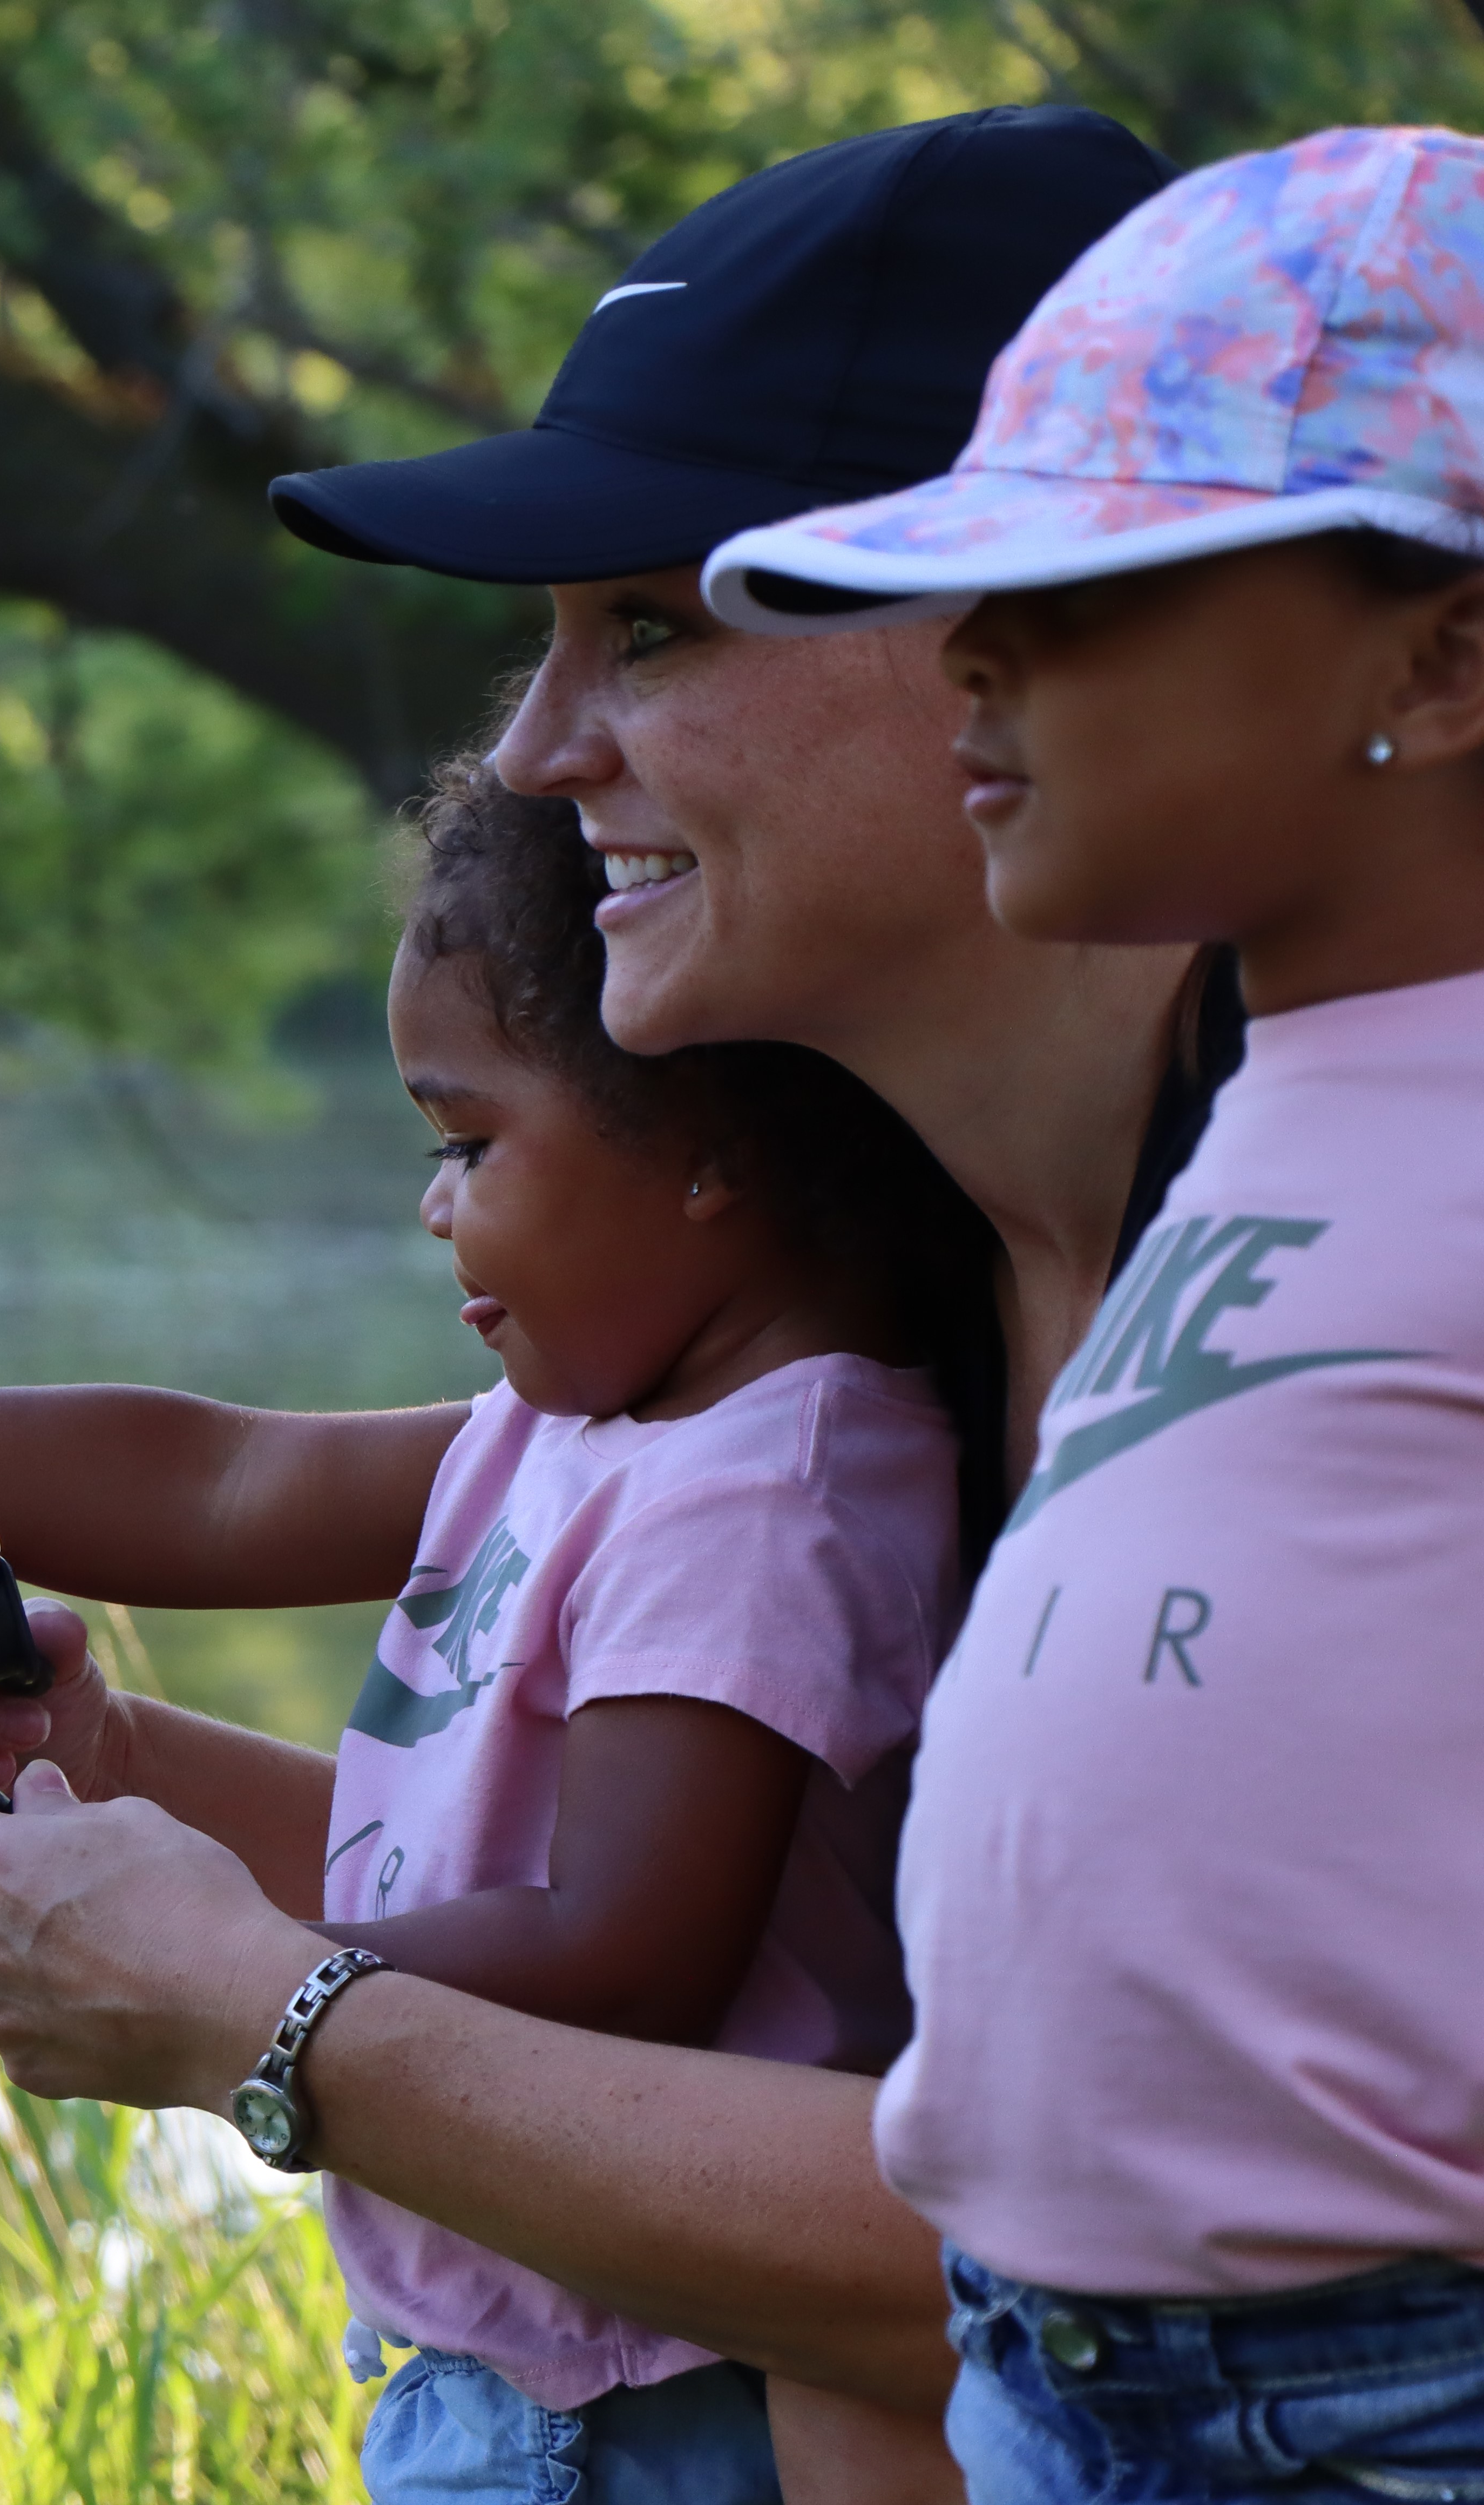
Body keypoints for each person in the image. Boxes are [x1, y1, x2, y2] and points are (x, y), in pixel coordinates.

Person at [0, 106, 1204, 2505]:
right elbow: (261, 1505)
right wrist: (103, 1784)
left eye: (651, 623)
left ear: (1024, 621)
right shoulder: (926, 1319)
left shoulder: (1322, 1331)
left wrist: (276, 2017)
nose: (529, 745)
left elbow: (1134, 2260)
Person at [0, 764, 979, 2502]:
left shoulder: (766, 1497)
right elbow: (221, 1477)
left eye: (468, 1140)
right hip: (527, 2374)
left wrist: (209, 1976)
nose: (434, 1205)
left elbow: (627, 1954)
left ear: (717, 1157)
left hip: (645, 2414)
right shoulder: (587, 1432)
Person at [697, 125, 1484, 2501]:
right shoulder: (1279, 1085)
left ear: (1444, 658)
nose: (971, 652)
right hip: (1060, 2381)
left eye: (1091, 584)